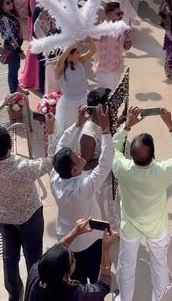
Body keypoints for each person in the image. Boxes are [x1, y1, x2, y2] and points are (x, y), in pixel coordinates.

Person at [113, 106, 172, 301]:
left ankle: (125, 298)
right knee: (160, 265)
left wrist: (127, 126)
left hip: (130, 225)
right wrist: (170, 125)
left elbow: (112, 148)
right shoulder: (163, 172)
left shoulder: (122, 168)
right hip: (156, 226)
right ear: (153, 154)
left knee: (126, 266)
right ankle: (160, 298)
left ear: (131, 154)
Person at [51, 105, 113, 284]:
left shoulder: (56, 177)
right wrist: (106, 130)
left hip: (67, 240)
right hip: (89, 241)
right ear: (74, 169)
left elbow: (60, 146)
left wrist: (78, 124)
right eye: (77, 157)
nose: (79, 154)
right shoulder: (84, 187)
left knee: (74, 282)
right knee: (93, 281)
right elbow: (105, 163)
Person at [0, 116, 55, 301]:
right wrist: (50, 132)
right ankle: (34, 292)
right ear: (10, 147)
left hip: (2, 218)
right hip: (29, 217)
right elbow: (49, 162)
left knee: (9, 257)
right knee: (33, 259)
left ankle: (14, 294)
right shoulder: (23, 167)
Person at [24, 219, 116, 301]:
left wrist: (75, 232)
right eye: (72, 258)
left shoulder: (35, 272)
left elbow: (55, 251)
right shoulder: (77, 295)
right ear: (65, 277)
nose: (72, 254)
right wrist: (105, 249)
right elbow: (103, 286)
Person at [54, 40, 96, 138]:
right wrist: (69, 47)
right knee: (72, 128)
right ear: (69, 55)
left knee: (86, 126)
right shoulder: (60, 69)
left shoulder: (79, 61)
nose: (80, 53)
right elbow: (60, 61)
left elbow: (93, 50)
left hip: (84, 99)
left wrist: (89, 39)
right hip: (70, 104)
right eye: (77, 52)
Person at [93, 2, 131, 89]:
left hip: (117, 68)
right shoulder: (101, 28)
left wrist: (128, 38)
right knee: (106, 95)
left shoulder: (122, 28)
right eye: (118, 13)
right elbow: (92, 40)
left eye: (121, 13)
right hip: (104, 69)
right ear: (109, 14)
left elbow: (127, 47)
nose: (121, 16)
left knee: (112, 93)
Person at [0, 0, 25, 93]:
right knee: (13, 71)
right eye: (8, 3)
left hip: (16, 45)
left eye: (11, 1)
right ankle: (14, 95)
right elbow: (9, 37)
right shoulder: (4, 19)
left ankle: (17, 88)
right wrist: (19, 50)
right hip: (12, 47)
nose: (11, 3)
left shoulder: (11, 15)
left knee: (15, 68)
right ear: (2, 6)